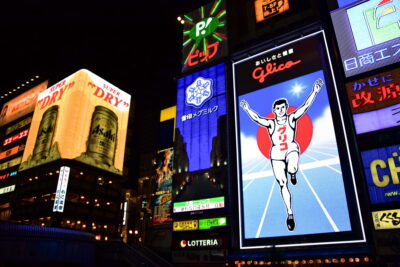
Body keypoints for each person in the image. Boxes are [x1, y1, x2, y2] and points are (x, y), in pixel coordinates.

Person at [240, 79, 323, 231]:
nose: (280, 110)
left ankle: (293, 173)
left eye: (282, 107)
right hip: (276, 153)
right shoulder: (271, 123)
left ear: (286, 108)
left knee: (292, 167)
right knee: (282, 183)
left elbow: (305, 107)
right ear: (274, 110)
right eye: (277, 108)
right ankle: (290, 213)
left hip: (291, 148)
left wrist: (315, 91)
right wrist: (247, 109)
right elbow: (257, 118)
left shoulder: (291, 118)